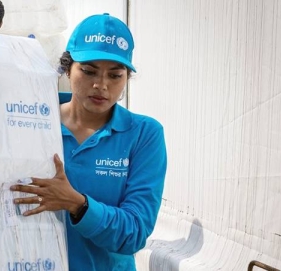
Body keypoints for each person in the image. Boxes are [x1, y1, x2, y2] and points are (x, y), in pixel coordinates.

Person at [10, 13, 167, 270]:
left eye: (115, 75)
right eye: (88, 70)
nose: (100, 85)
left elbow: (135, 232)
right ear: (67, 70)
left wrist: (77, 203)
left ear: (126, 78)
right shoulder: (29, 121)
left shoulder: (143, 135)